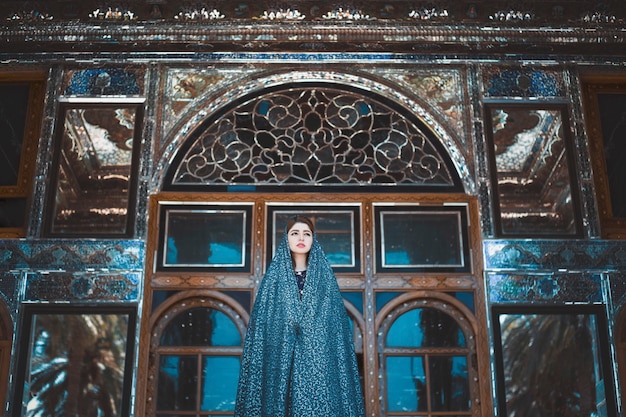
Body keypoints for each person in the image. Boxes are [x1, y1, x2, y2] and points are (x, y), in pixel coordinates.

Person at [234, 216, 365, 417]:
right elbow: (264, 329)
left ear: (314, 239)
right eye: (295, 233)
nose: (301, 237)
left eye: (307, 233)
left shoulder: (326, 282)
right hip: (280, 365)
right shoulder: (273, 282)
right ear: (286, 239)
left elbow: (335, 332)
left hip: (320, 366)